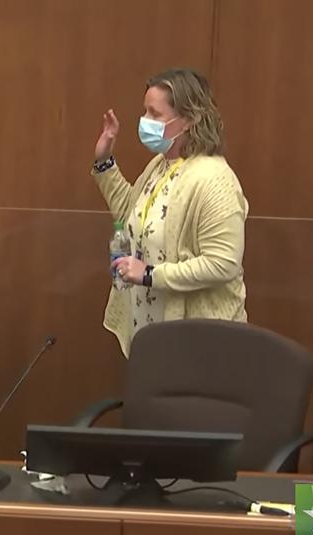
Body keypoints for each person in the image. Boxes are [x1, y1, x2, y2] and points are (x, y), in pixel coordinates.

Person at [92, 68, 248, 356]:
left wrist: (151, 274)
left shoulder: (214, 179)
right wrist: (104, 161)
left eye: (155, 114)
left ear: (189, 119)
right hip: (151, 331)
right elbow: (131, 212)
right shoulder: (161, 164)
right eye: (145, 112)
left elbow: (223, 263)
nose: (144, 122)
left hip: (197, 344)